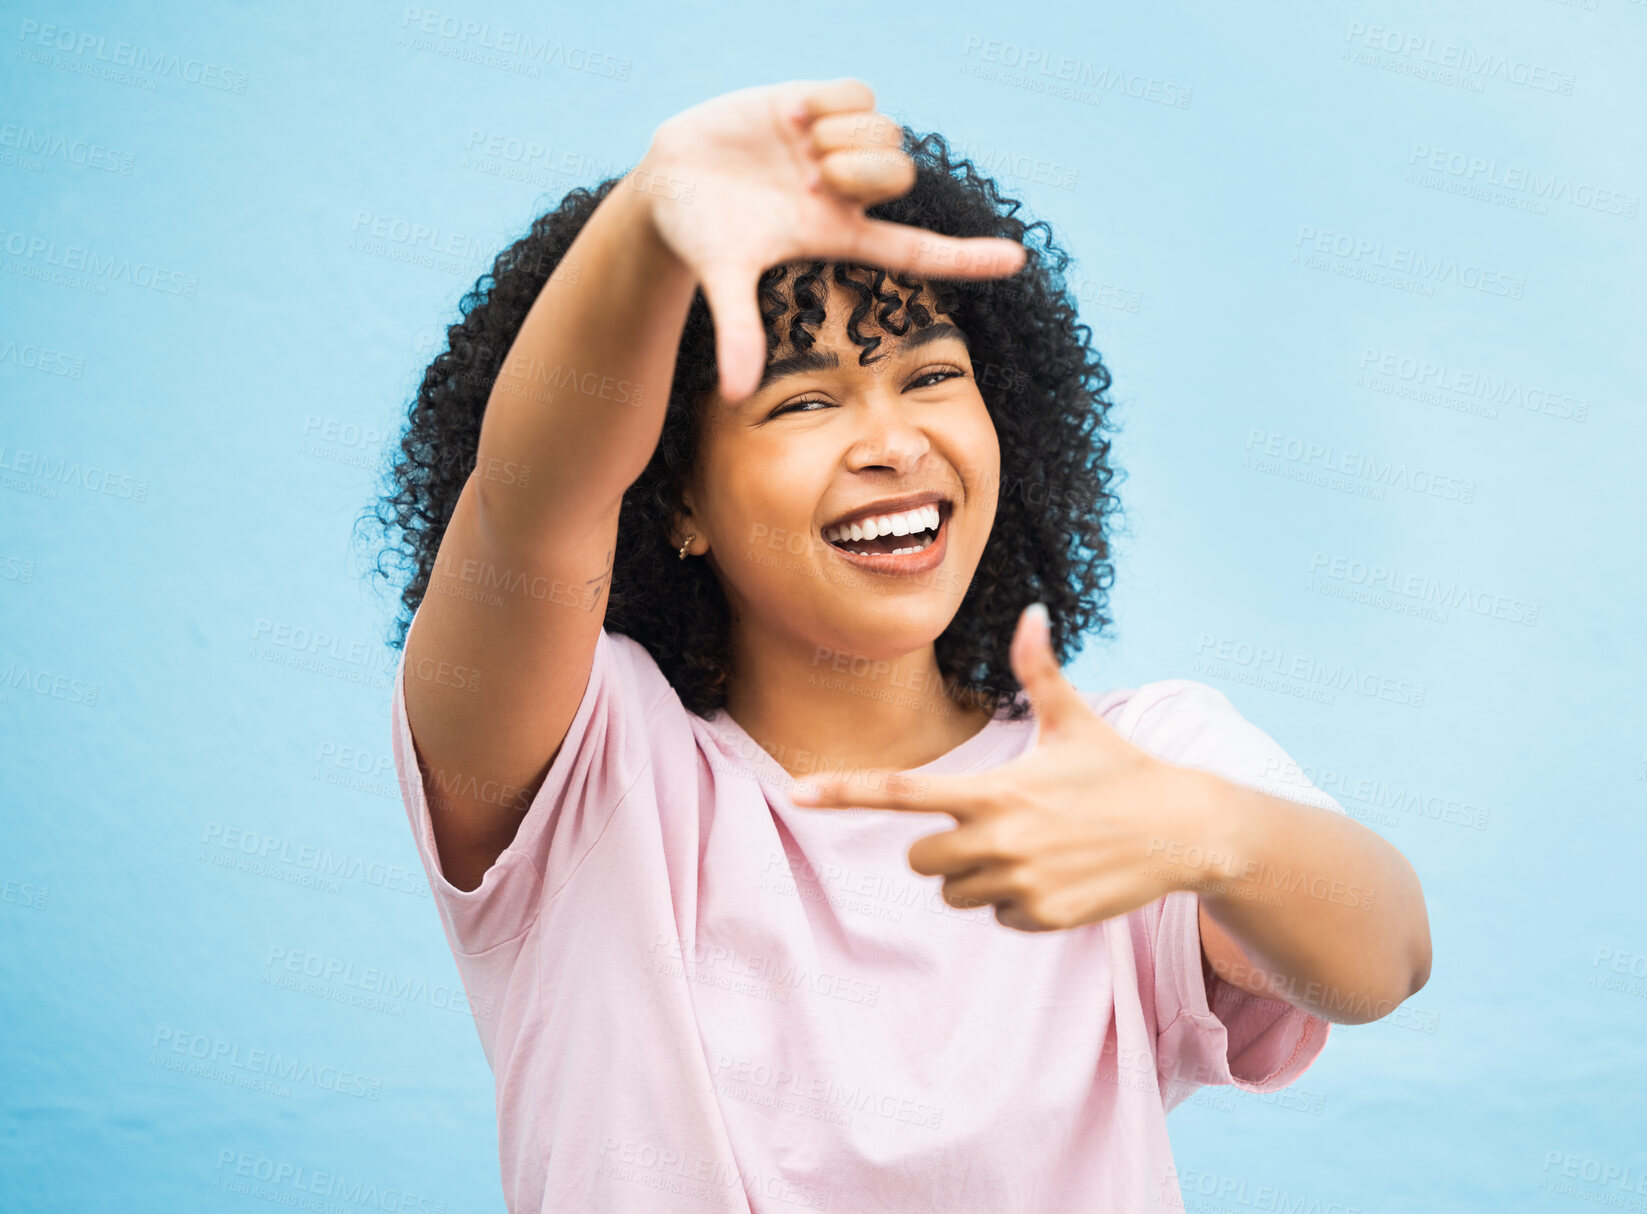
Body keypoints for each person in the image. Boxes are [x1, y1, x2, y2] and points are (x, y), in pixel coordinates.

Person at [371, 77, 1432, 1214]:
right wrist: (649, 224)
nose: (892, 439)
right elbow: (529, 506)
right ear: (670, 495)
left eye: (931, 376)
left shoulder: (1124, 768)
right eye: (802, 403)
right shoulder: (590, 773)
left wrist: (1207, 833)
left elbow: (1386, 954)